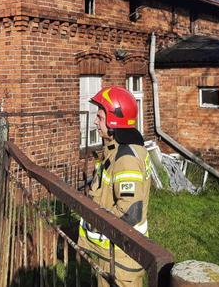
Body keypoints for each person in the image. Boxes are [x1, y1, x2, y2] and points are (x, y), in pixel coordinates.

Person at [78, 86, 151, 287]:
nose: (95, 122)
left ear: (113, 121)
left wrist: (96, 221)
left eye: (100, 118)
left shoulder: (125, 159)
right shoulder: (114, 150)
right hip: (110, 253)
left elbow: (130, 212)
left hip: (121, 257)